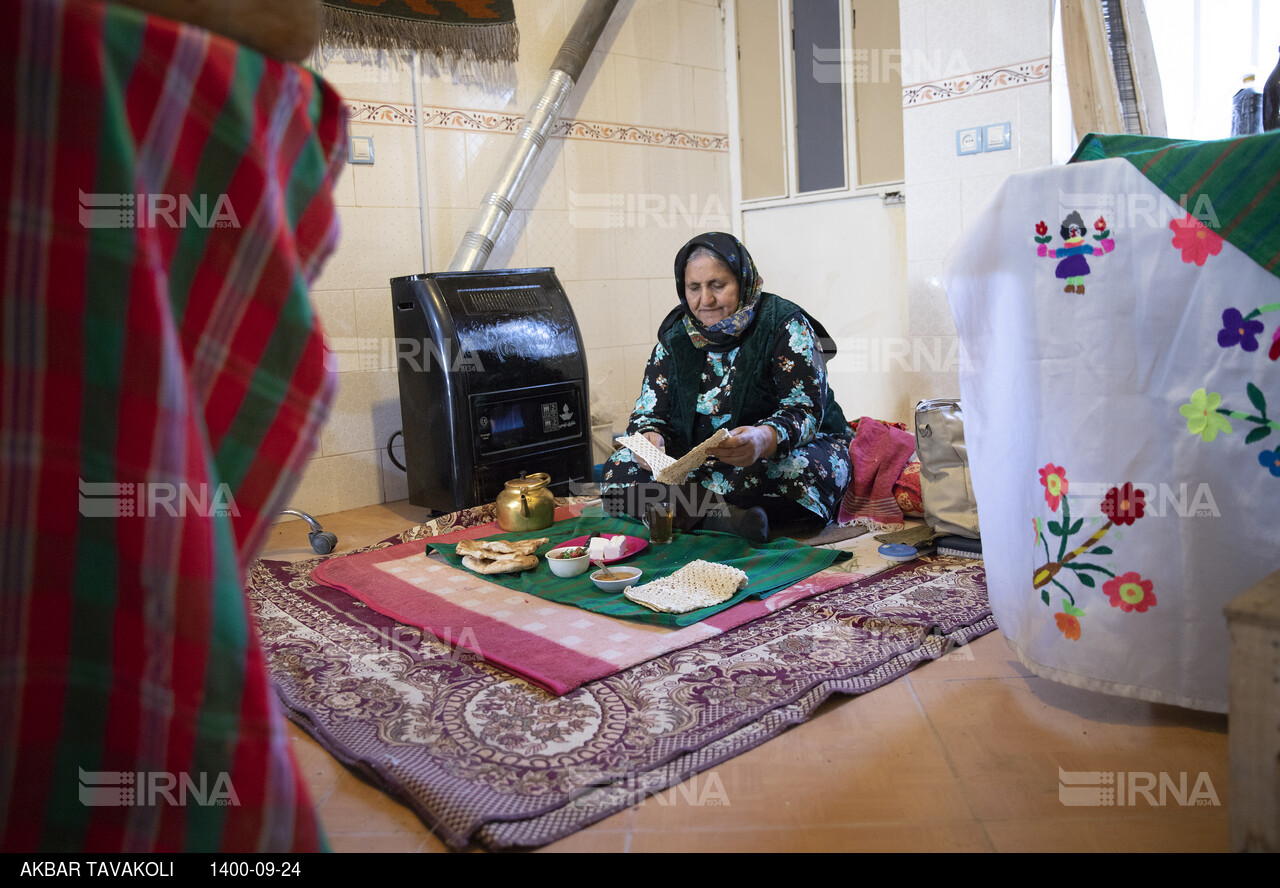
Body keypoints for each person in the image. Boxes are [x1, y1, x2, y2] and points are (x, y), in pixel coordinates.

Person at [601, 232, 852, 543]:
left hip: (766, 456)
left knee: (800, 472)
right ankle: (725, 519)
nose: (705, 300)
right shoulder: (676, 336)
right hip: (698, 463)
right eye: (694, 288)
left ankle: (687, 513)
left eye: (718, 286)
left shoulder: (785, 324)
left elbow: (805, 410)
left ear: (743, 281)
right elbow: (649, 411)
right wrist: (649, 438)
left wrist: (762, 439)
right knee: (617, 471)